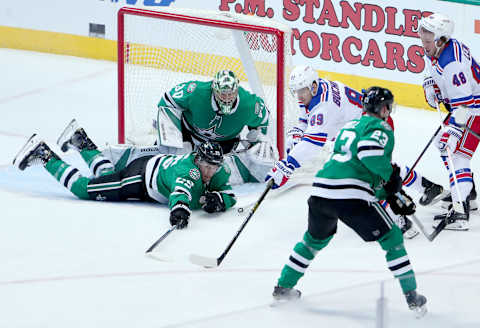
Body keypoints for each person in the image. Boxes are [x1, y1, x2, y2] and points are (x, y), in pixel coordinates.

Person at [271, 87, 427, 316]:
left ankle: (283, 286)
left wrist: (389, 194)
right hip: (351, 196)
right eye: (388, 107)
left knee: (313, 240)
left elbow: (356, 167)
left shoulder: (348, 126)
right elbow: (368, 153)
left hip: (321, 191)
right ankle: (413, 297)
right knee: (392, 237)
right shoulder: (381, 127)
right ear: (383, 109)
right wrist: (390, 177)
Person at [264, 65, 441, 237]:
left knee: (368, 178)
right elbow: (306, 117)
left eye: (302, 90)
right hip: (360, 130)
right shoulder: (314, 91)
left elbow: (311, 144)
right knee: (381, 171)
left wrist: (287, 166)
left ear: (313, 86)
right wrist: (299, 130)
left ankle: (400, 220)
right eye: (297, 91)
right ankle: (426, 186)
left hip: (373, 128)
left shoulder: (324, 106)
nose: (299, 96)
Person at [12, 120, 236, 229]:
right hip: (138, 179)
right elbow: (181, 192)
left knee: (107, 175)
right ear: (198, 160)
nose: (210, 171)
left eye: (213, 168)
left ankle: (79, 139)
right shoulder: (188, 172)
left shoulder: (217, 170)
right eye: (206, 166)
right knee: (85, 189)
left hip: (148, 169)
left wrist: (220, 200)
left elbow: (230, 194)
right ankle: (43, 154)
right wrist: (179, 210)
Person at [155, 69, 277, 185]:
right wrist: (169, 134)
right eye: (223, 94)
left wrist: (259, 136)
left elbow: (265, 121)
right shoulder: (196, 91)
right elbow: (168, 101)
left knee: (223, 174)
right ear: (214, 89)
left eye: (231, 93)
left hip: (223, 146)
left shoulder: (249, 104)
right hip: (190, 135)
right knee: (177, 162)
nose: (228, 98)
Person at [419, 13, 480, 231]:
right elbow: (432, 68)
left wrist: (455, 132)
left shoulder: (453, 63)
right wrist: (429, 83)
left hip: (473, 110)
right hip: (464, 108)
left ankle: (460, 212)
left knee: (456, 154)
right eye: (422, 38)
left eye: (428, 40)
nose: (423, 43)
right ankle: (466, 193)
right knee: (441, 143)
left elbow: (465, 103)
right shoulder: (438, 48)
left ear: (441, 39)